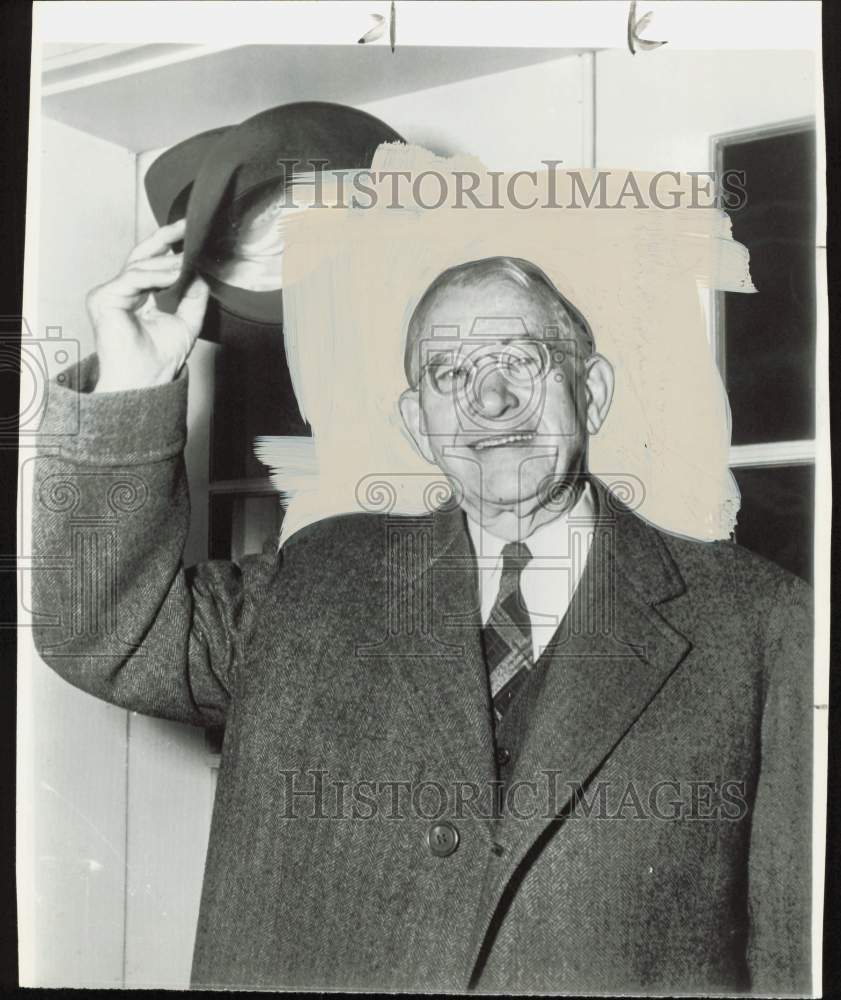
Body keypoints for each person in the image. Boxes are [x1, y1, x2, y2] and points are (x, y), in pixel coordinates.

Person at [31, 222, 813, 994]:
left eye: (518, 358)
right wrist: (132, 390)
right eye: (449, 372)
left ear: (593, 390)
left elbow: (791, 948)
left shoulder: (758, 623)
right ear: (418, 424)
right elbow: (103, 633)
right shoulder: (316, 578)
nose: (491, 399)